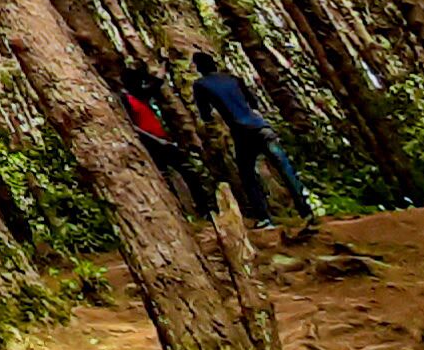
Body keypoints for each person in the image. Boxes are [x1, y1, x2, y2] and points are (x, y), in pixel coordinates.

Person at [190, 49, 317, 235]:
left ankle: (265, 218)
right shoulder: (233, 78)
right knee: (284, 167)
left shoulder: (201, 85)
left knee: (248, 175)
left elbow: (205, 115)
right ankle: (306, 210)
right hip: (262, 127)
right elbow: (253, 101)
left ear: (199, 68)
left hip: (242, 133)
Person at [116, 57, 201, 212]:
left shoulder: (139, 94)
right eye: (138, 79)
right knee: (165, 178)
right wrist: (157, 141)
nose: (141, 82)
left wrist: (163, 64)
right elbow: (130, 126)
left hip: (162, 141)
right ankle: (180, 211)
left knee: (188, 171)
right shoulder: (124, 99)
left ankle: (204, 210)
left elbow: (156, 83)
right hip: (151, 144)